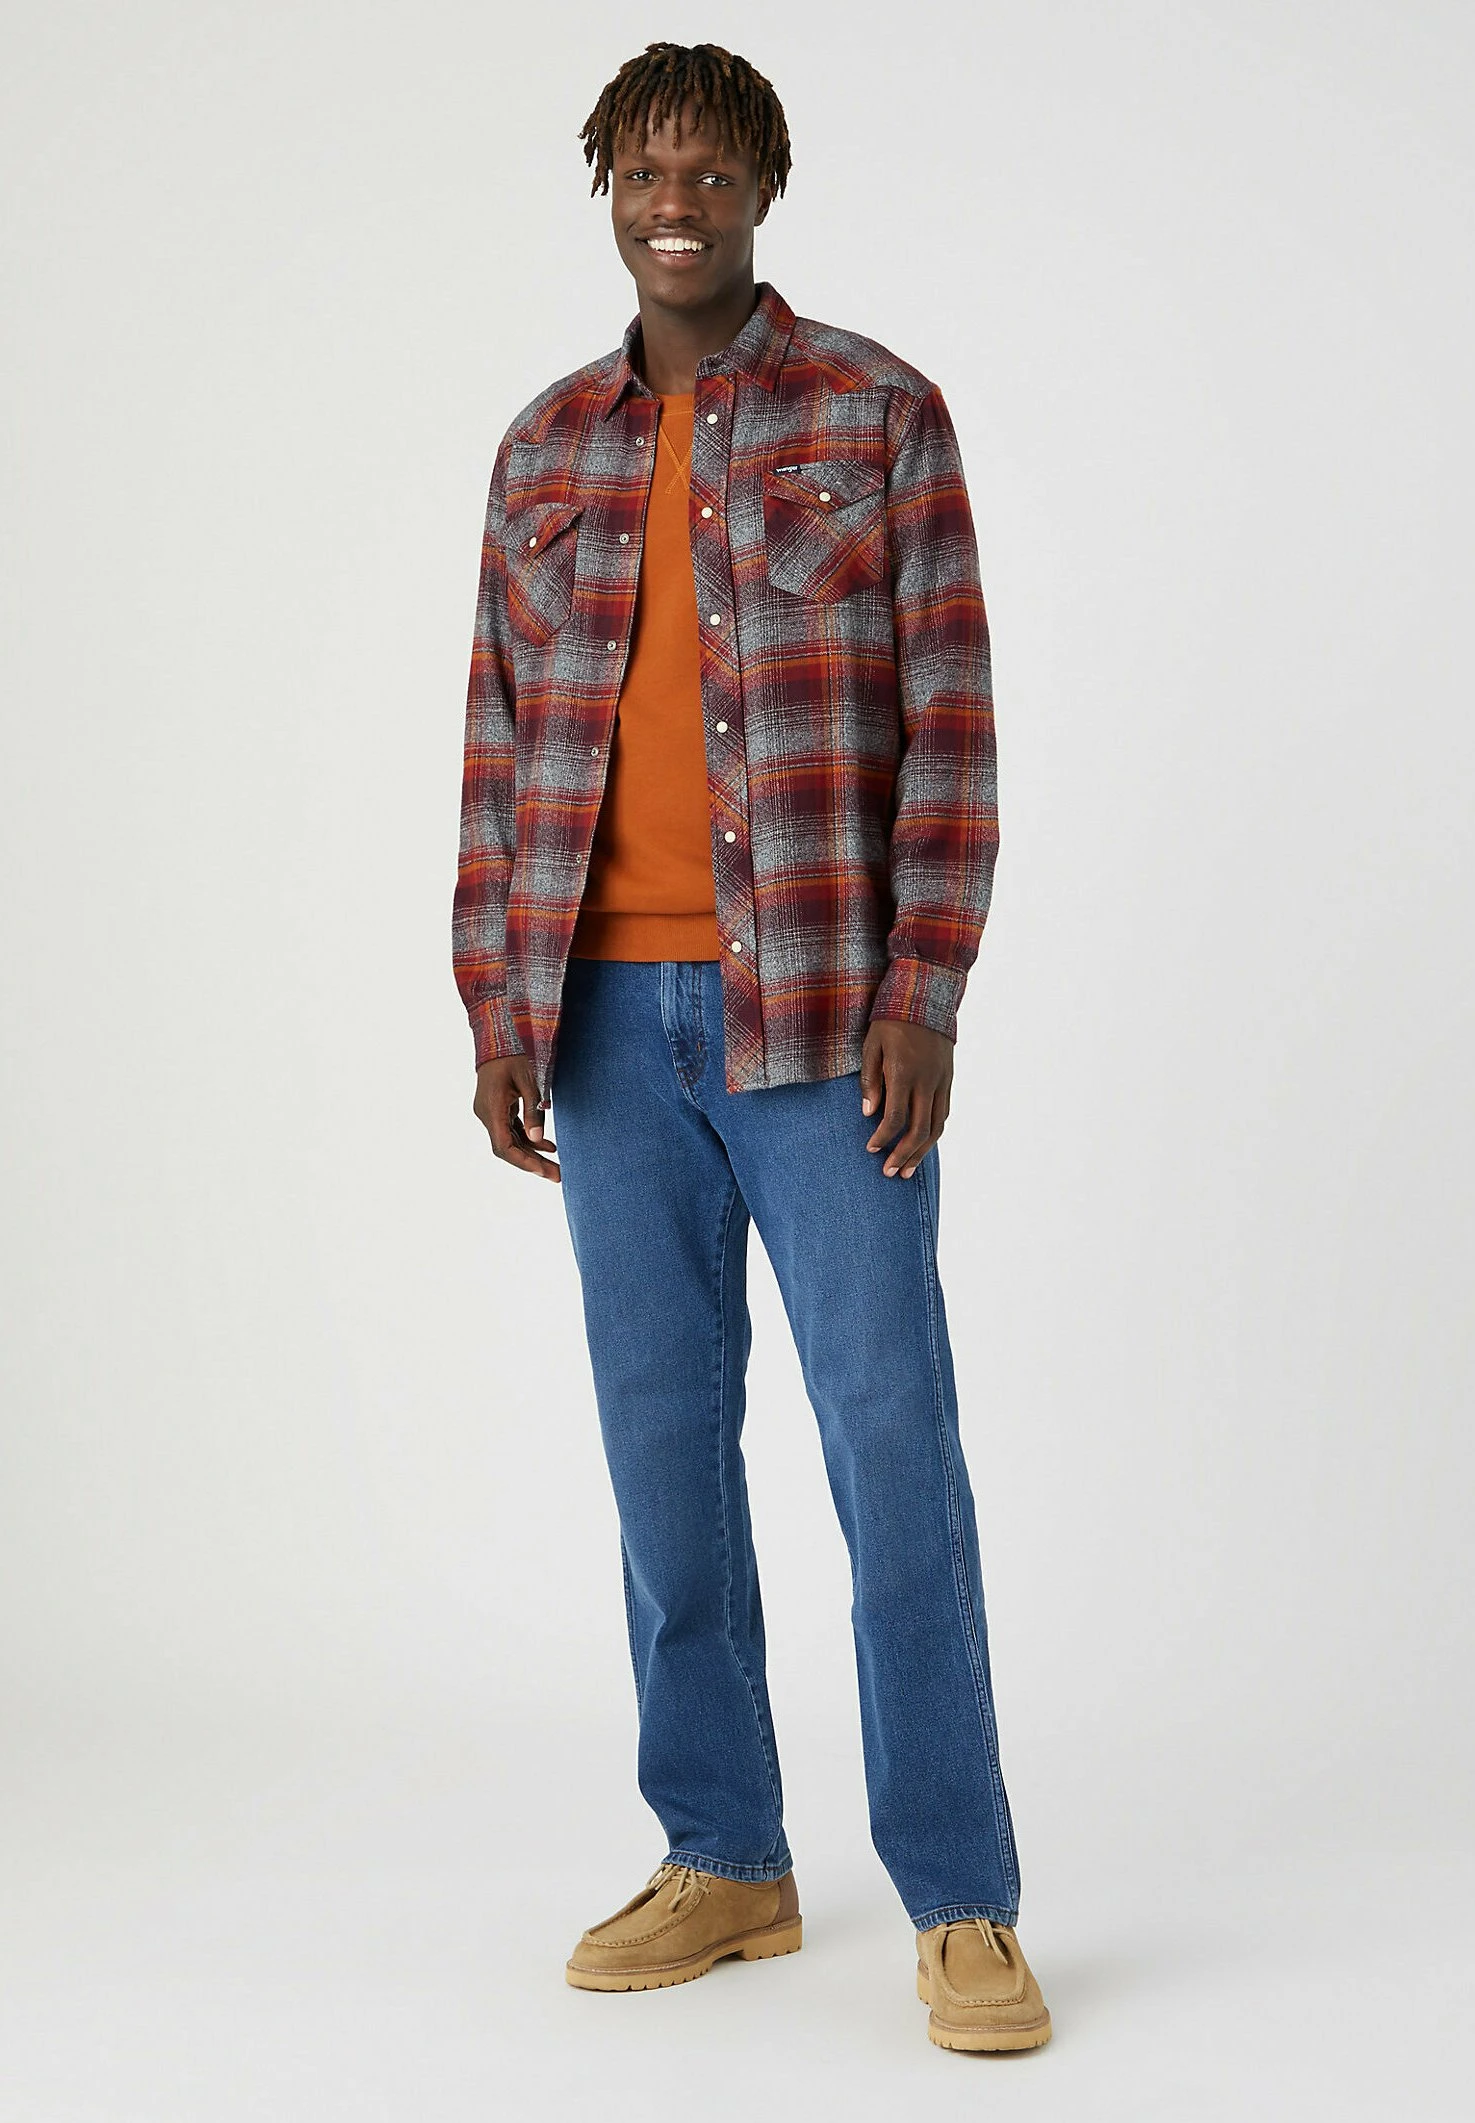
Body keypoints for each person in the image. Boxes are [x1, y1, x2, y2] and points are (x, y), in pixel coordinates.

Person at [452, 40, 1051, 2054]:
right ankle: (724, 1855)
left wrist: (924, 991)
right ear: (605, 188)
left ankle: (959, 1896)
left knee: (889, 1447)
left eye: (709, 169)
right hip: (601, 1027)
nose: (674, 200)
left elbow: (950, 726)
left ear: (763, 188)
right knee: (661, 1458)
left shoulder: (874, 414)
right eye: (644, 167)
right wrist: (496, 1000)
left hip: (820, 1022)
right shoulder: (542, 449)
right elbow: (495, 740)